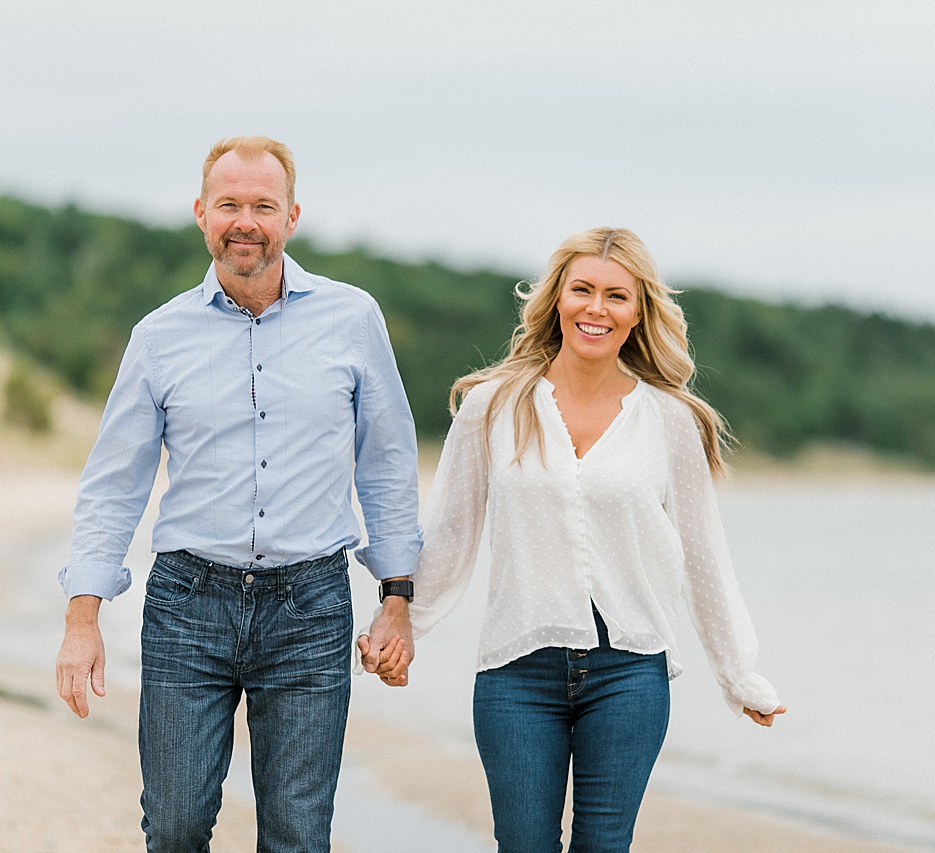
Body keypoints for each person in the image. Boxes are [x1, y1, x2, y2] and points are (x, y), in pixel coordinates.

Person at [55, 136, 420, 852]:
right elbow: (113, 484)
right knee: (177, 825)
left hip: (311, 607)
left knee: (297, 834)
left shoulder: (353, 319)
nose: (244, 221)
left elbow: (387, 462)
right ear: (200, 213)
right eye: (229, 204)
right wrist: (81, 618)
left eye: (262, 205)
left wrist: (397, 599)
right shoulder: (159, 337)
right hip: (188, 605)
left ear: (291, 216)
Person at [397, 226, 786, 852]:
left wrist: (738, 675)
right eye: (582, 290)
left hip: (629, 673)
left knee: (604, 845)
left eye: (616, 296)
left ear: (638, 314)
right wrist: (402, 625)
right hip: (516, 670)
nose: (596, 308)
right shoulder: (492, 408)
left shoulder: (670, 421)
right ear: (557, 299)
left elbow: (704, 556)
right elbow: (449, 533)